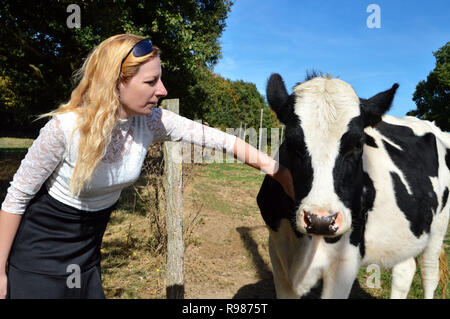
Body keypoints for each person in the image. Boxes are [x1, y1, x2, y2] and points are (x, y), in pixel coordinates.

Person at [0, 34, 294, 299]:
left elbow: (223, 141)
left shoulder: (150, 122)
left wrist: (278, 173)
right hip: (37, 263)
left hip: (87, 261)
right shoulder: (65, 129)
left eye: (160, 80)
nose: (162, 90)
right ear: (116, 81)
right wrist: (0, 272)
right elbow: (15, 199)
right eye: (151, 82)